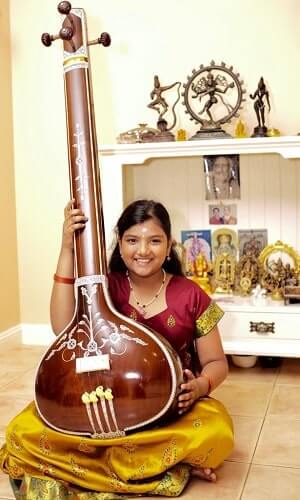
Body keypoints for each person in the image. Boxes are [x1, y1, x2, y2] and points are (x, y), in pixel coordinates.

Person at [0, 199, 233, 498]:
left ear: (169, 244)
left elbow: (217, 362)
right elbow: (61, 327)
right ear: (120, 244)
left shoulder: (191, 295)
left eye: (155, 241)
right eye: (133, 240)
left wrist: (200, 386)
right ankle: (161, 466)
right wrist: (68, 248)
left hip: (167, 412)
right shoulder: (103, 288)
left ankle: (104, 465)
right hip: (104, 404)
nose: (143, 251)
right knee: (22, 430)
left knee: (217, 430)